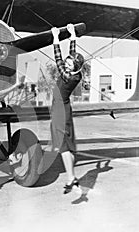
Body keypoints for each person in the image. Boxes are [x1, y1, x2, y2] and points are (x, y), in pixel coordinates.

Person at [50, 24, 84, 194]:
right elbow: (72, 55)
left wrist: (55, 37)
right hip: (65, 109)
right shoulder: (77, 73)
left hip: (59, 112)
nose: (67, 61)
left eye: (69, 63)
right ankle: (74, 179)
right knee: (68, 145)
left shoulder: (67, 76)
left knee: (62, 147)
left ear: (72, 67)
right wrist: (72, 35)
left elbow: (58, 60)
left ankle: (71, 178)